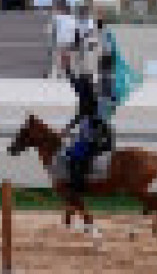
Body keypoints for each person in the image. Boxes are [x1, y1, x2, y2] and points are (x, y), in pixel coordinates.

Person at [60, 27, 111, 200]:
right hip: (92, 126)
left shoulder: (90, 92)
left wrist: (67, 67)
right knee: (73, 151)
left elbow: (83, 113)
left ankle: (78, 186)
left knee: (75, 154)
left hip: (92, 129)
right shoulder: (92, 90)